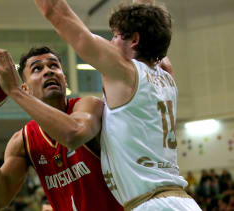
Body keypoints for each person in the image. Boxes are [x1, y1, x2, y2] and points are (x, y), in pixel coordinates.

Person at [31, 0, 202, 210]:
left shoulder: (124, 72)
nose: (111, 42)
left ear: (135, 40)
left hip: (152, 204)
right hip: (180, 201)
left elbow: (56, 12)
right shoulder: (165, 72)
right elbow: (153, 22)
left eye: (115, 35)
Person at [0, 46, 123, 210]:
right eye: (37, 69)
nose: (48, 71)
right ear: (26, 88)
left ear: (64, 79)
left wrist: (15, 91)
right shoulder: (23, 141)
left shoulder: (89, 106)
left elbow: (73, 135)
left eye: (54, 66)